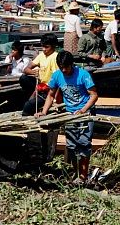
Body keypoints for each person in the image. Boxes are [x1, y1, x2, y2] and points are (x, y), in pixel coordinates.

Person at [37, 50, 98, 184]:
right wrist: (44, 112)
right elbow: (51, 95)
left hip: (85, 115)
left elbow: (93, 95)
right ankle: (76, 174)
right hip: (69, 115)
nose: (64, 70)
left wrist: (83, 110)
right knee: (71, 146)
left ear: (72, 64)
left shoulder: (83, 75)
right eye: (61, 67)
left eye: (66, 67)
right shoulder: (57, 75)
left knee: (84, 144)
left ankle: (82, 176)